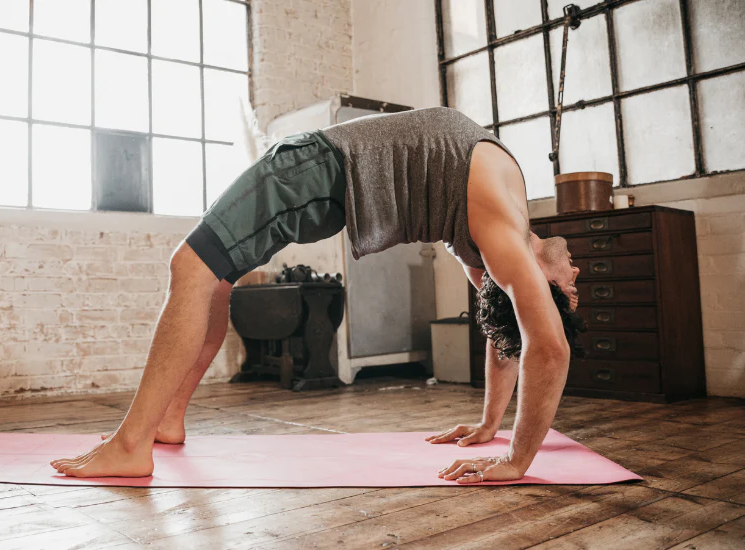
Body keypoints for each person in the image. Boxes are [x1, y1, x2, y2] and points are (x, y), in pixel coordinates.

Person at [50, 107, 586, 484]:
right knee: (212, 276)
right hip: (325, 177)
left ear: (543, 285)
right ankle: (167, 421)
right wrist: (491, 424)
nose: (577, 273)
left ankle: (130, 445)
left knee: (190, 265)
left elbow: (548, 345)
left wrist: (517, 458)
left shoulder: (505, 235)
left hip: (315, 170)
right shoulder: (499, 242)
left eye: (570, 287)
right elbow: (506, 336)